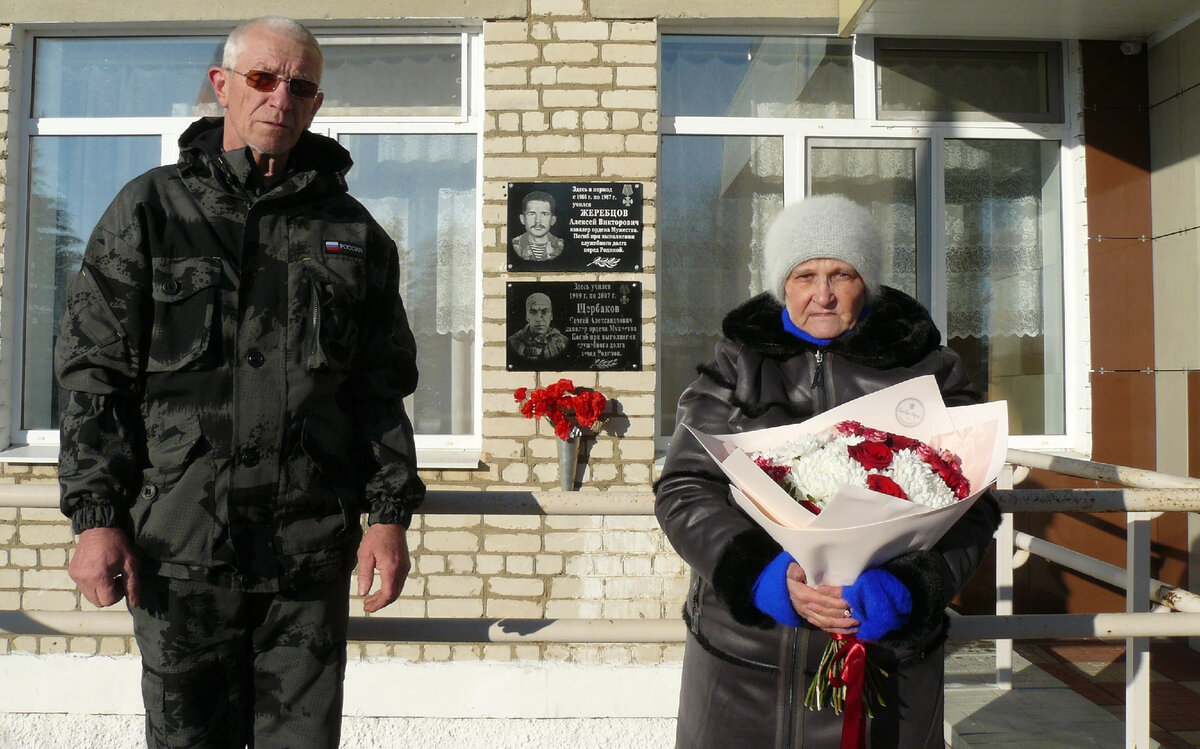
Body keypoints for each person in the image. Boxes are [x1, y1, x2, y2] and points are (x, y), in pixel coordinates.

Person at [54, 16, 425, 749]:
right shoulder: (151, 211)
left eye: (301, 85)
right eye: (263, 78)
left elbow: (379, 390)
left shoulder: (352, 234)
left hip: (307, 559)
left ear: (316, 104)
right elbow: (94, 376)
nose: (280, 97)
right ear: (223, 86)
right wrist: (95, 514)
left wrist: (388, 515)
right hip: (180, 554)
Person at [655, 195, 1001, 748]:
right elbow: (685, 488)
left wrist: (910, 587)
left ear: (867, 282)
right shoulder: (737, 364)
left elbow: (974, 502)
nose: (823, 293)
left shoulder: (927, 368)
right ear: (781, 285)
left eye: (842, 273)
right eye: (805, 275)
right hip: (746, 662)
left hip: (885, 663)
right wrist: (759, 575)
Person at [507, 291, 576, 366]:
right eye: (533, 312)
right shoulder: (513, 342)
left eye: (545, 312)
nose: (539, 319)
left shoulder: (563, 343)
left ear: (551, 316)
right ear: (527, 316)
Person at [511, 190, 565, 261]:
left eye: (544, 214)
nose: (538, 220)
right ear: (523, 219)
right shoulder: (513, 245)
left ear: (552, 220)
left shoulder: (561, 246)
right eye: (532, 214)